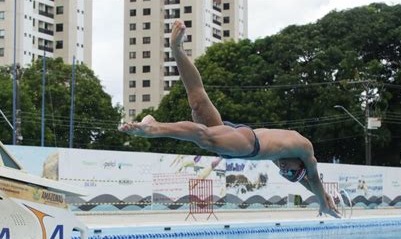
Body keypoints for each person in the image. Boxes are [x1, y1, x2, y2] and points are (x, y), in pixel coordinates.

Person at [119, 20, 341, 218]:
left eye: (285, 174)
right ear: (300, 163)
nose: (283, 169)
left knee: (198, 101)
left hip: (238, 135)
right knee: (203, 136)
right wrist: (323, 201)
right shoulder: (305, 149)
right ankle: (154, 127)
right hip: (246, 144)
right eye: (290, 171)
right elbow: (313, 179)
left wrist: (322, 197)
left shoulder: (285, 156)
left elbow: (308, 182)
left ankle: (176, 50)